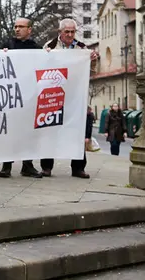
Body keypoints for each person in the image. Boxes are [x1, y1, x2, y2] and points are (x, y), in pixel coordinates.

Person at [42, 18, 99, 179]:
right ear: (60, 32)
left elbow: (91, 73)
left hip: (75, 96)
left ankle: (78, 168)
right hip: (55, 95)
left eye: (72, 31)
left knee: (77, 131)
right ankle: (46, 167)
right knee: (50, 130)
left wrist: (93, 61)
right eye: (66, 31)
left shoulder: (82, 48)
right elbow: (41, 68)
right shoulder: (49, 47)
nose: (69, 34)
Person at [0, 17, 44, 179]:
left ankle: (27, 165)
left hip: (29, 96)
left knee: (28, 132)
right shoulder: (7, 45)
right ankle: (6, 166)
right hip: (11, 96)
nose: (17, 29)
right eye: (15, 26)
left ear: (29, 30)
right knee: (10, 132)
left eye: (21, 27)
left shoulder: (36, 48)